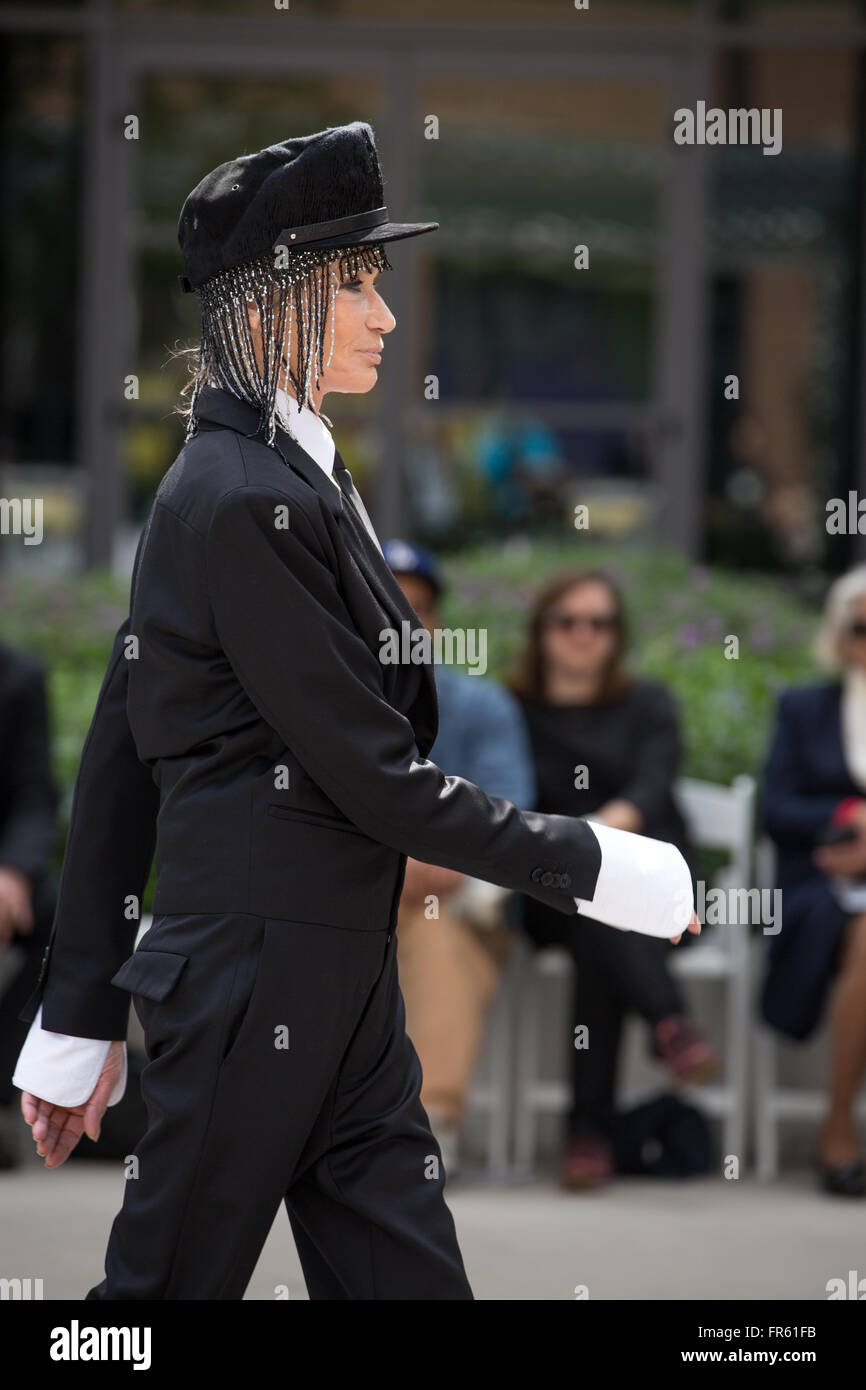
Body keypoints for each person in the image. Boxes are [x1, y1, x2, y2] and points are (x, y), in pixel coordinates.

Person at [12, 122, 699, 1301]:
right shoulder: (234, 495)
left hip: (330, 969)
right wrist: (596, 863)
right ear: (271, 298)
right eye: (355, 281)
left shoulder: (285, 475)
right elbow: (365, 771)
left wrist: (75, 1017)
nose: (384, 313)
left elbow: (121, 751)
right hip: (249, 977)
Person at [509, 568, 718, 1189]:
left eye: (598, 622)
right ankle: (670, 1023)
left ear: (616, 635)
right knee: (593, 903)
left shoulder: (647, 704)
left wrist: (596, 854)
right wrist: (580, 862)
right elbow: (504, 801)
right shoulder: (514, 710)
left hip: (661, 895)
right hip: (547, 887)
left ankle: (587, 1135)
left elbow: (649, 793)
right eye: (567, 620)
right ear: (541, 629)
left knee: (601, 914)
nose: (583, 634)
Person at [383, 538, 536, 1176]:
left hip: (452, 900)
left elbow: (505, 818)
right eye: (381, 604)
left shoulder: (480, 705)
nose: (399, 622)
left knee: (437, 926)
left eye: (415, 608)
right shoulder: (317, 701)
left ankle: (428, 1122)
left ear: (437, 624)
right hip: (349, 894)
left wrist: (420, 865)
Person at [761, 564, 866, 1197]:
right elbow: (775, 810)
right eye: (861, 626)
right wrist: (848, 821)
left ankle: (838, 1125)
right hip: (819, 887)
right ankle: (836, 1126)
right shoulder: (805, 708)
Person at [0, 643, 59, 1169]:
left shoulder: (18, 676)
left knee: (64, 915)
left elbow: (35, 794)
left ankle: (1, 1084)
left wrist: (13, 870)